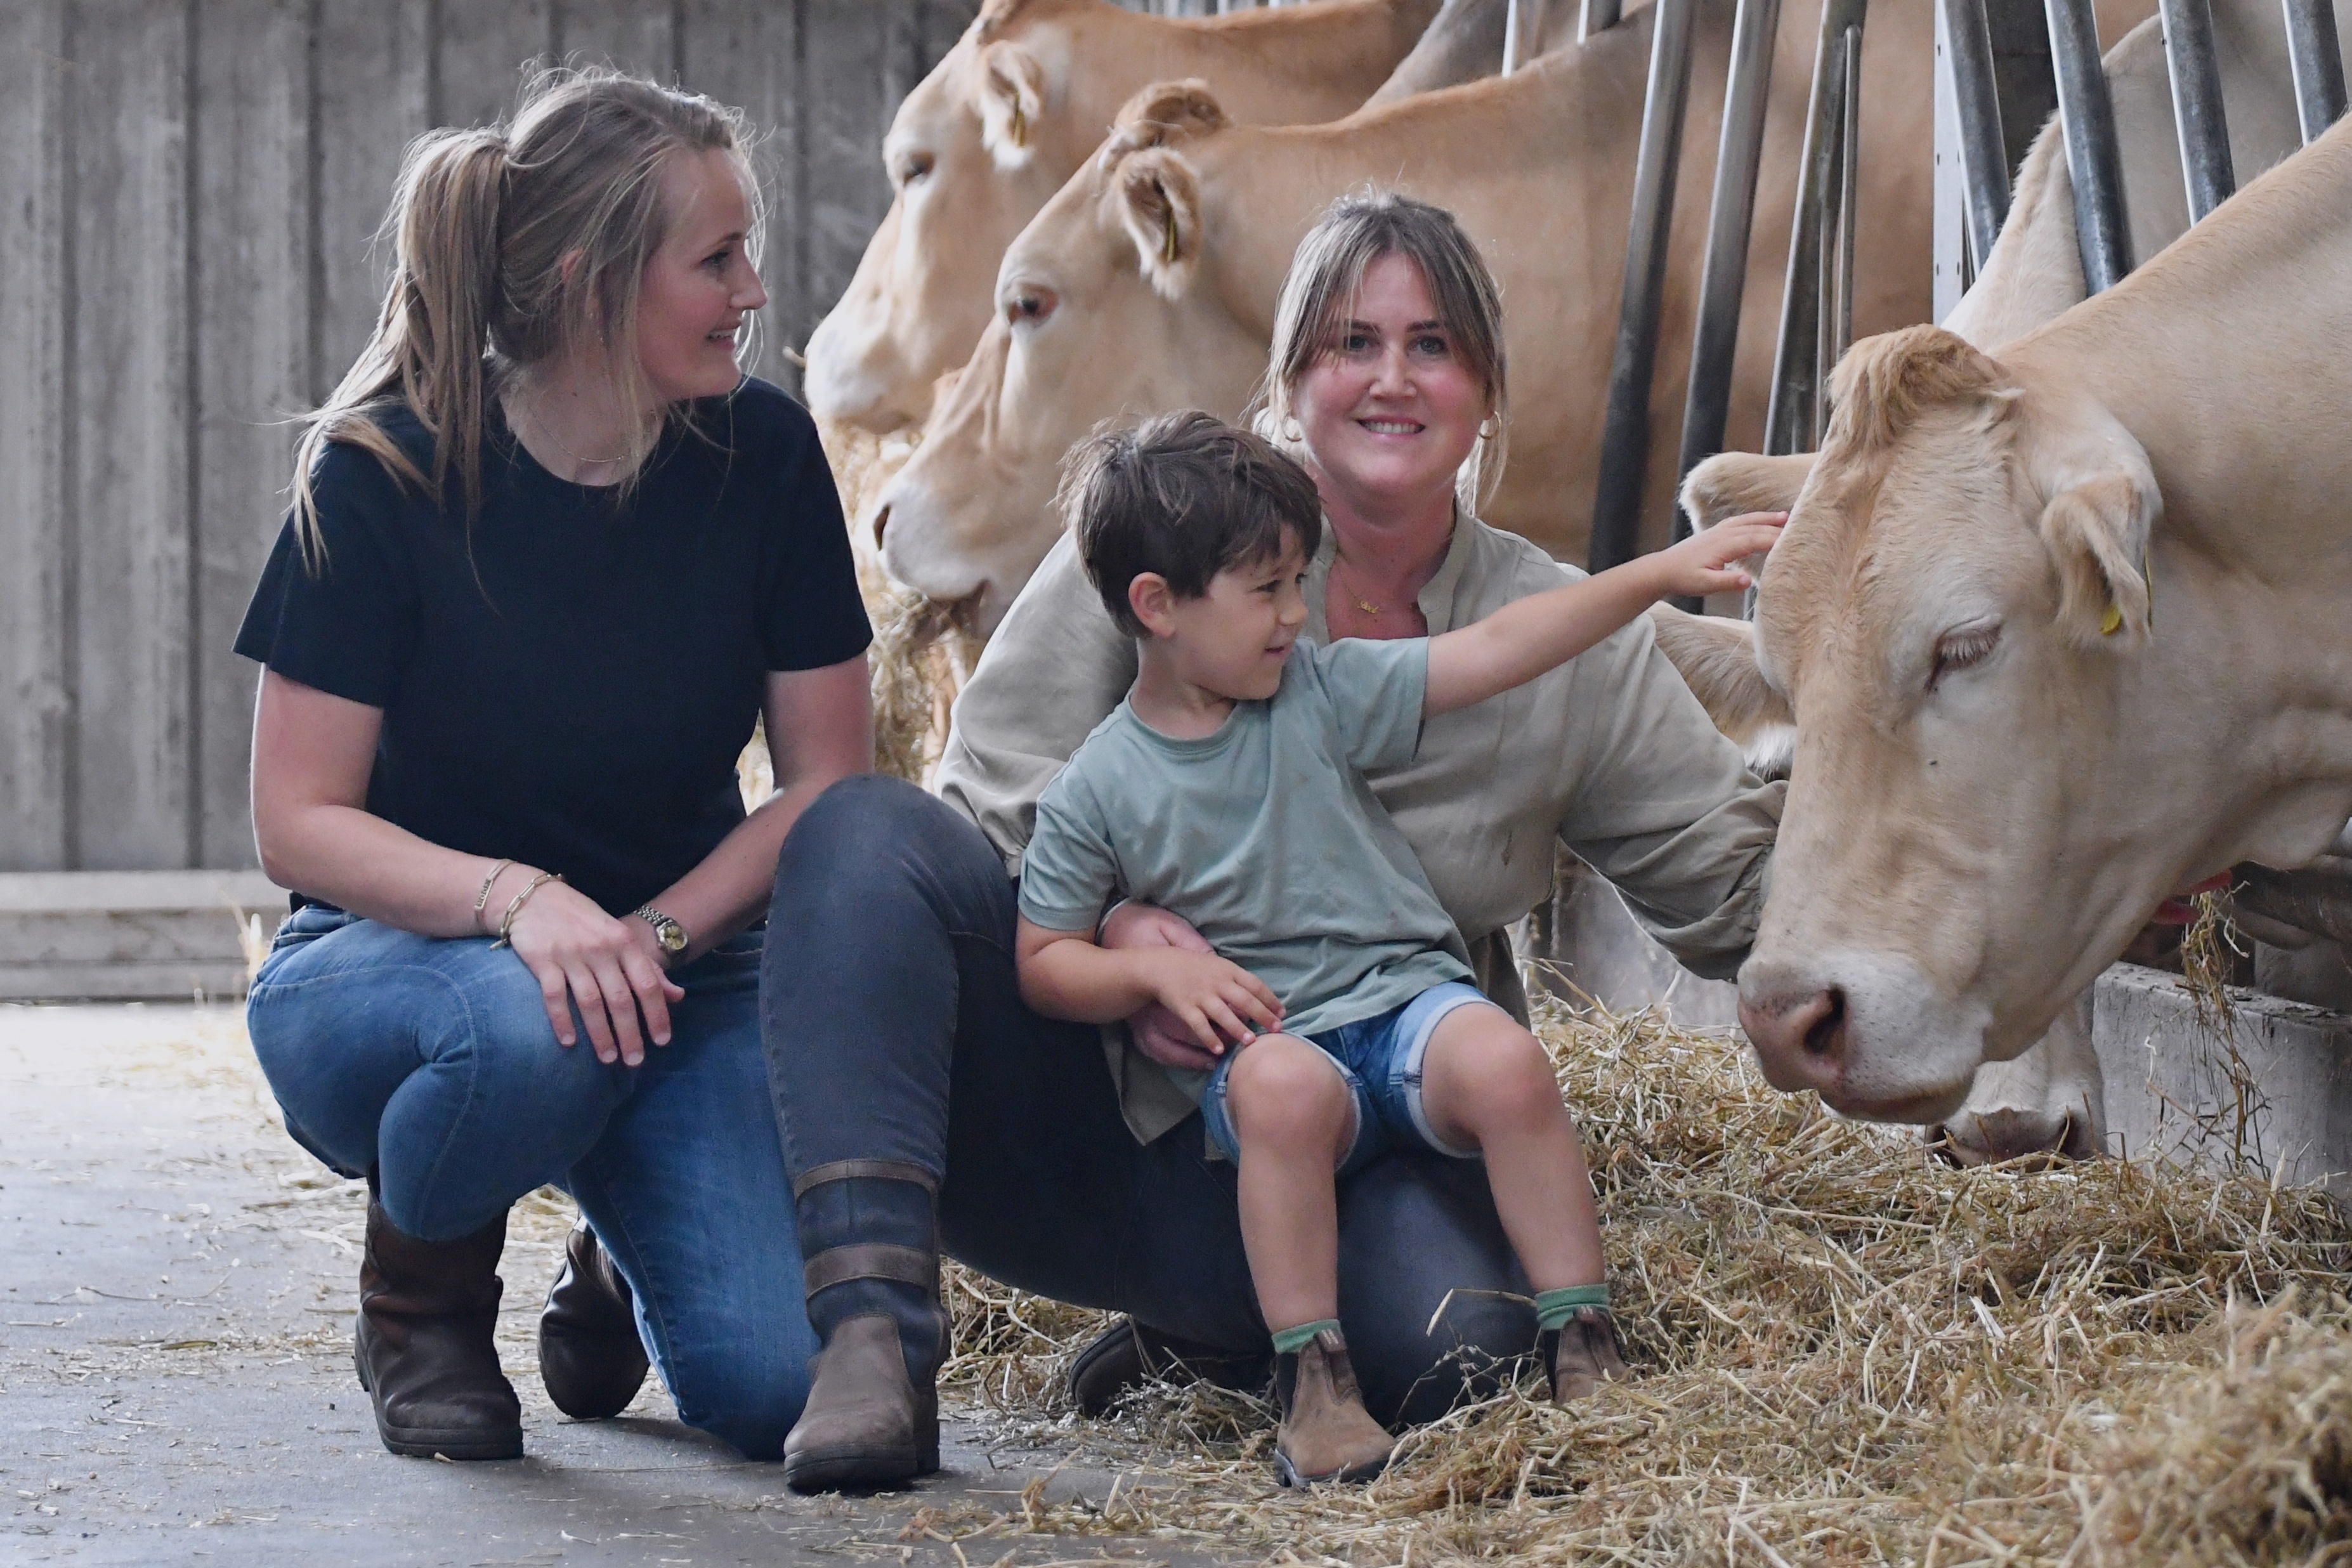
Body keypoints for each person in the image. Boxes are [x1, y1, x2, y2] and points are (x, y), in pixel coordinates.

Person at [760, 190, 1782, 1493]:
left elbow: (1731, 886)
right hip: (1100, 1111)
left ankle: (1223, 1338)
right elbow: (984, 818)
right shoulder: (1161, 542)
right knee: (862, 836)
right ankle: (871, 1339)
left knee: (1465, 1351)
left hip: (1355, 1127)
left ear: (1485, 388)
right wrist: (1126, 938)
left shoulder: (1553, 628)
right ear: (1291, 378)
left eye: (1434, 346)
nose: (1392, 380)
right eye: (1352, 343)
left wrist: (1921, 801)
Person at [235, 67, 872, 1463]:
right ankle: (425, 1302)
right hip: (400, 969)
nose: (754, 290)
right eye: (717, 258)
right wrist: (523, 905)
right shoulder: (383, 468)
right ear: (591, 282)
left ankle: (612, 1242)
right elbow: (297, 821)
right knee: (524, 1027)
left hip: (668, 970)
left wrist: (648, 936)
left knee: (773, 1388)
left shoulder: (763, 456)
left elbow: (832, 787)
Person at [1014, 412, 1781, 1483]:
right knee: (1278, 1095)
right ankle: (1313, 1386)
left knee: (1509, 1061)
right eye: (1269, 590)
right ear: (1159, 607)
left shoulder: (1319, 694)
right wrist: (1150, 968)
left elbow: (1498, 649)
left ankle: (1585, 1342)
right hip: (1282, 1041)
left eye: (1297, 583)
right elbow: (1043, 957)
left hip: (1408, 1006)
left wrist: (1651, 576)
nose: (1297, 613)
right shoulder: (1098, 786)